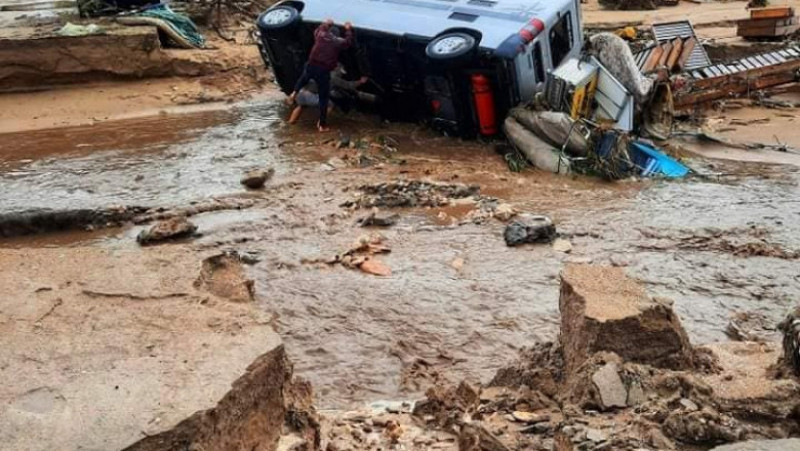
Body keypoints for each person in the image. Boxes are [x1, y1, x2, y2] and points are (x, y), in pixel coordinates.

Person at [288, 19, 355, 132]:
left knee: (304, 78)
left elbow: (318, 30)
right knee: (325, 100)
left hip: (309, 73)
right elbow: (348, 42)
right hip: (322, 70)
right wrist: (348, 30)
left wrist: (325, 24)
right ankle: (321, 125)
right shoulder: (337, 42)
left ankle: (293, 94)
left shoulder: (320, 34)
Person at [287, 66, 370, 125]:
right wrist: (360, 81)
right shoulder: (334, 78)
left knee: (301, 106)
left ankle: (291, 122)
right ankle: (321, 124)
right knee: (329, 104)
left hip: (301, 93)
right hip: (310, 96)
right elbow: (348, 85)